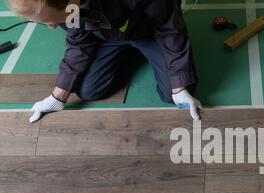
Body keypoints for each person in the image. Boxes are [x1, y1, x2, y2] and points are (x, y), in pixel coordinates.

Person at [7, 0, 203, 123]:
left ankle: (145, 51)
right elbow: (79, 44)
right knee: (88, 90)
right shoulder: (70, 9)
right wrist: (57, 96)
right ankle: (133, 52)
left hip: (150, 32)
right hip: (108, 36)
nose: (51, 27)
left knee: (173, 93)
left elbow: (170, 31)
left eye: (51, 21)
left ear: (70, 2)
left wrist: (179, 87)